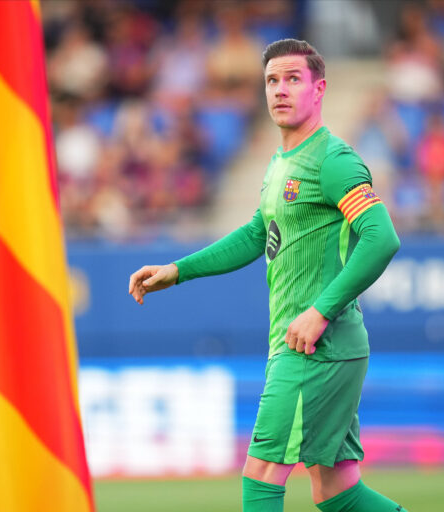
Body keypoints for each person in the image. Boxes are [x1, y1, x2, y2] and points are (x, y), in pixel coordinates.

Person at [128, 39, 406, 512]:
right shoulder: (280, 164)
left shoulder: (333, 160)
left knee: (260, 475)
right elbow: (257, 234)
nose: (279, 90)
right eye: (272, 81)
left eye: (292, 79)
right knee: (337, 492)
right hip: (304, 344)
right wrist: (177, 270)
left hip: (315, 347)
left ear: (319, 90)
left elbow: (382, 238)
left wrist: (320, 311)